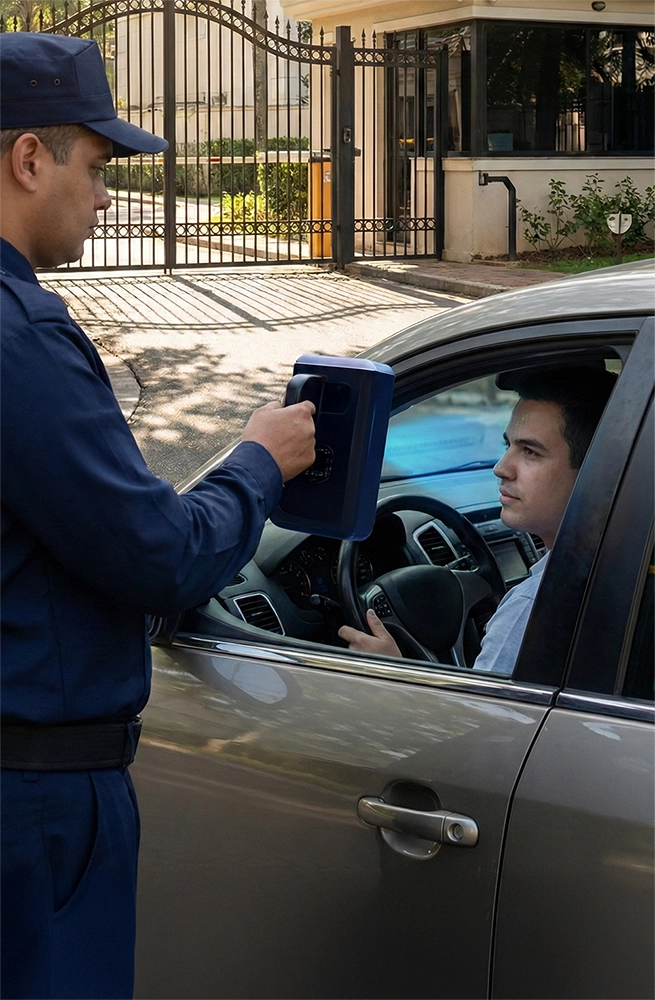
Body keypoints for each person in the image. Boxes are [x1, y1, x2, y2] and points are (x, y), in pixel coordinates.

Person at [0, 33, 315, 1000]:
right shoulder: (21, 339)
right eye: (95, 167)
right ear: (26, 159)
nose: (106, 195)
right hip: (38, 804)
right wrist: (259, 463)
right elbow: (159, 559)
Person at [339, 365, 617, 675]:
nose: (501, 467)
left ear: (595, 470)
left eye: (530, 452)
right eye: (507, 445)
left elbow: (478, 722)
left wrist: (397, 672)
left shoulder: (532, 610)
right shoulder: (622, 563)